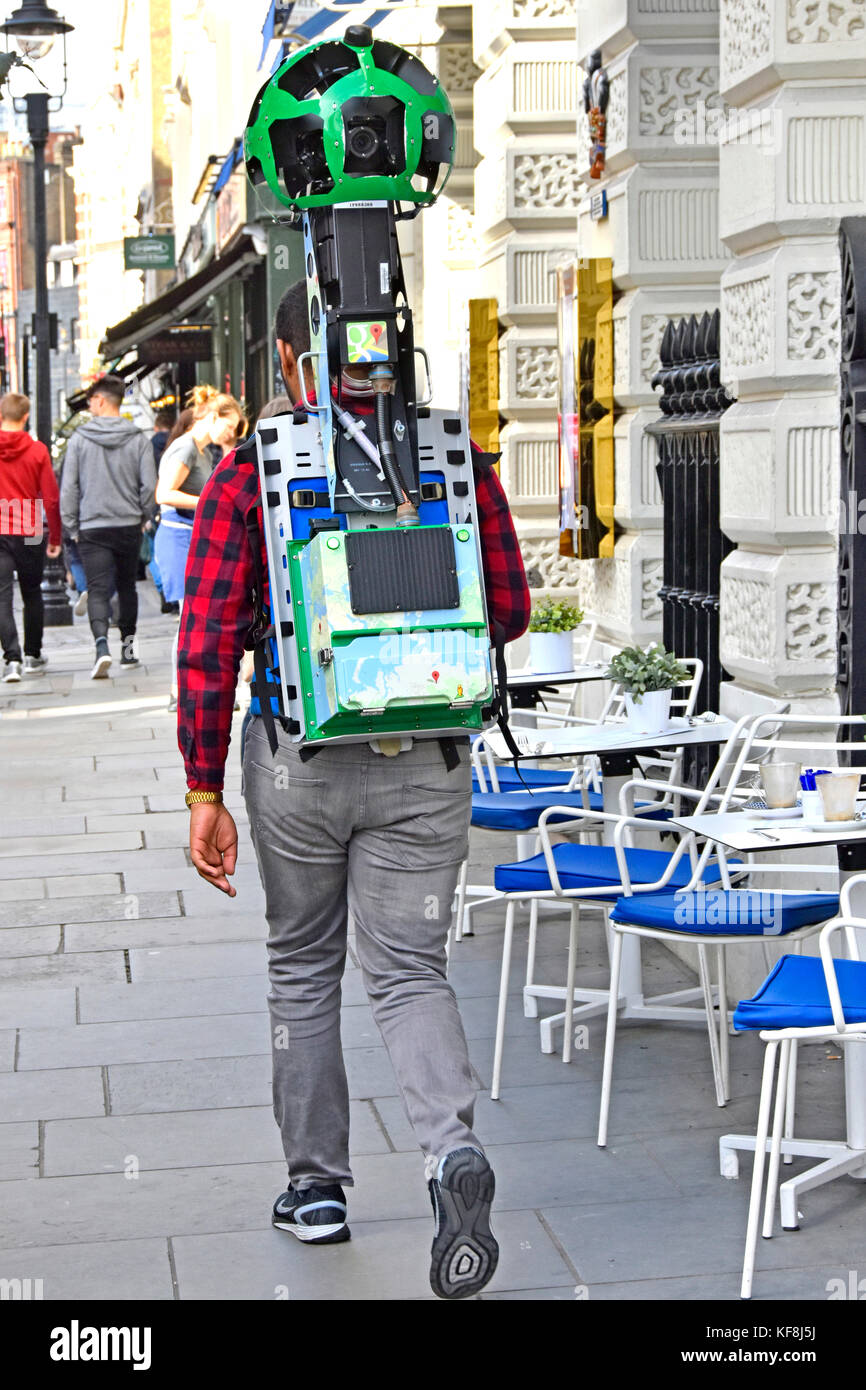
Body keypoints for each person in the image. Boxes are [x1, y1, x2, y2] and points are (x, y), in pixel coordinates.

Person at [177, 280, 530, 1300]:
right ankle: (445, 1148)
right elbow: (504, 608)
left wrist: (204, 786)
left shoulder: (255, 473)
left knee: (302, 964)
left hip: (300, 763)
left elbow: (205, 643)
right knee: (411, 967)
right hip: (425, 758)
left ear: (293, 358)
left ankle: (317, 1185)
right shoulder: (456, 460)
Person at [59, 374, 157, 680]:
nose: (89, 406)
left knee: (97, 589)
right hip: (127, 524)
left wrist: (72, 526)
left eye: (90, 401)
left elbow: (69, 488)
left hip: (92, 527)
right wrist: (143, 515)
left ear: (101, 400)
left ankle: (102, 648)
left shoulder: (79, 440)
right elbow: (149, 485)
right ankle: (129, 650)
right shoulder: (138, 439)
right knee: (127, 586)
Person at [154, 386, 245, 711]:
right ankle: (180, 691)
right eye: (229, 425)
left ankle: (187, 689)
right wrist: (209, 503)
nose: (231, 432)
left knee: (196, 617)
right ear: (211, 417)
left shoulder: (202, 450)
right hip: (179, 539)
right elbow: (163, 494)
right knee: (189, 618)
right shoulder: (186, 448)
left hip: (189, 537)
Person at [0, 391, 63, 682]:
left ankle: (11, 659)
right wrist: (56, 536)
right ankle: (33, 653)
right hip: (29, 527)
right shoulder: (37, 450)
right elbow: (50, 498)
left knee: (2, 597)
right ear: (25, 416)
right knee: (32, 592)